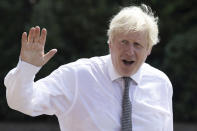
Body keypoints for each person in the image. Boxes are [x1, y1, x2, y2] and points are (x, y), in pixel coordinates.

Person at [4, 4, 173, 131]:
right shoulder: (77, 76)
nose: (130, 51)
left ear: (149, 49)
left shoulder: (161, 83)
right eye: (124, 42)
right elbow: (23, 102)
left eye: (137, 44)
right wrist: (27, 68)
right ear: (110, 44)